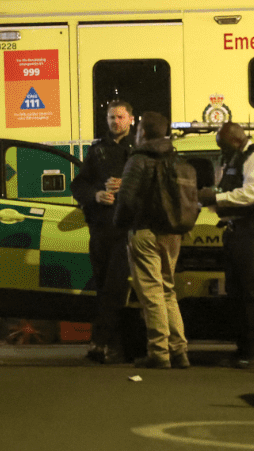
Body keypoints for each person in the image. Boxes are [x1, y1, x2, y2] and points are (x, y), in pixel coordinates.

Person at [114, 111, 189, 370]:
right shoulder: (175, 157)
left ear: (142, 132)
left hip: (145, 232)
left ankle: (159, 352)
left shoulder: (140, 159)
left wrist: (120, 225)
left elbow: (126, 198)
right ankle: (179, 351)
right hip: (172, 233)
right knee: (168, 290)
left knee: (152, 293)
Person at [200, 122, 254, 370]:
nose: (220, 150)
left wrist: (216, 197)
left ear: (233, 141)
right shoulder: (234, 159)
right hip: (235, 231)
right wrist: (207, 199)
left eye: (222, 145)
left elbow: (252, 193)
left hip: (253, 233)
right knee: (236, 293)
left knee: (253, 292)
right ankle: (244, 350)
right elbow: (227, 192)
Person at [71, 100, 134, 364]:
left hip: (127, 231)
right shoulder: (97, 151)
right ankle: (105, 344)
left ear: (131, 119)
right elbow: (78, 185)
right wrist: (96, 194)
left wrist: (126, 186)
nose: (115, 121)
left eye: (120, 117)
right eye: (111, 117)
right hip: (100, 230)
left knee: (115, 289)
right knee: (102, 287)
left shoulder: (138, 151)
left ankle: (106, 343)